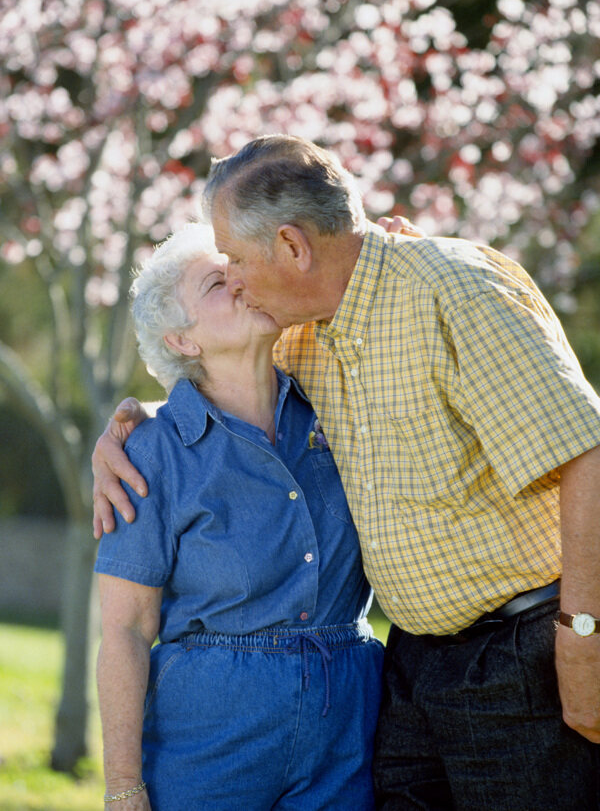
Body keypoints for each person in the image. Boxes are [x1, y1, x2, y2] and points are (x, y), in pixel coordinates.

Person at [93, 135, 600, 811]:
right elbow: (221, 397)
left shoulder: (440, 295)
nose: (237, 278)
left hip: (516, 658)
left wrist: (586, 638)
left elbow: (586, 450)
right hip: (410, 672)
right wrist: (138, 423)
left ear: (293, 247)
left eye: (237, 261)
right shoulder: (305, 332)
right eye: (224, 272)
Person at [94, 221, 384, 810]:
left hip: (348, 721)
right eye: (215, 284)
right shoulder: (149, 454)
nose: (241, 284)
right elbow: (125, 630)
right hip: (210, 738)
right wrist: (123, 787)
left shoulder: (335, 403)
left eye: (240, 270)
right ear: (183, 341)